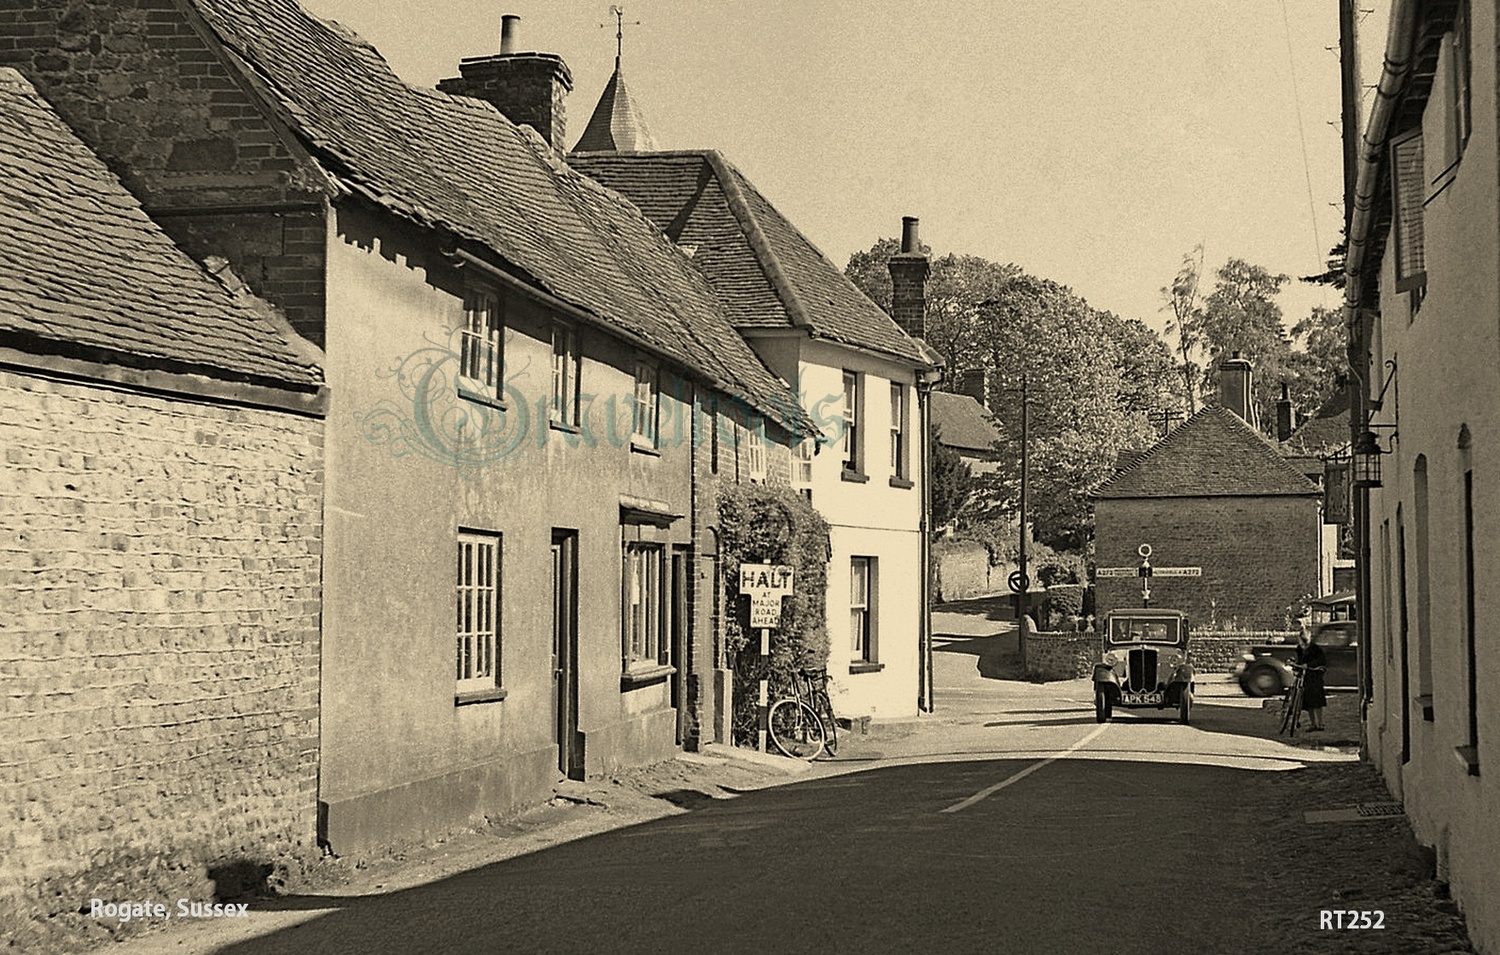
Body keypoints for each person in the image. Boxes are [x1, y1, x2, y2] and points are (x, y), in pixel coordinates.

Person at [1296, 622, 1328, 731]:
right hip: (1305, 677)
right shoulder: (1299, 649)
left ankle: (1320, 723)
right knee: (1309, 702)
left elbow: (1321, 661)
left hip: (1315, 676)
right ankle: (1313, 723)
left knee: (1317, 701)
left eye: (1305, 641)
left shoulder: (1316, 649)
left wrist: (1309, 665)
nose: (1303, 644)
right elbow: (1298, 660)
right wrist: (1297, 666)